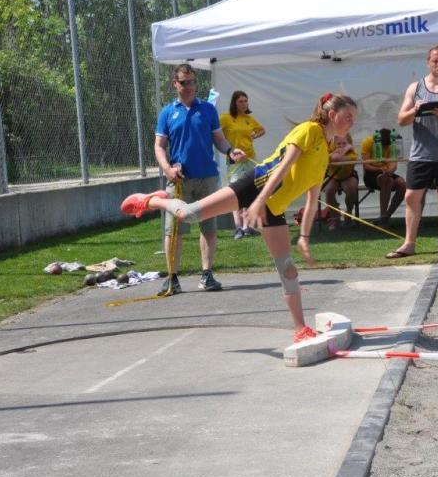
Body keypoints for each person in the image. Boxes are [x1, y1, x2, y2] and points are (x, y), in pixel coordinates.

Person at [122, 93, 358, 343]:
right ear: (332, 114)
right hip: (255, 186)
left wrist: (304, 237)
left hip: (272, 208)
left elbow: (313, 198)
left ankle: (300, 328)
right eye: (348, 117)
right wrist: (258, 200)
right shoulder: (309, 130)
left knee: (288, 268)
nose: (352, 123)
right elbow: (282, 168)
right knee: (189, 214)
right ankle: (153, 200)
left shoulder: (325, 151)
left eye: (353, 118)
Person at [154, 64, 245, 295]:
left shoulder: (207, 110)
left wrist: (230, 151)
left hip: (207, 177)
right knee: (173, 230)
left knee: (209, 227)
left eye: (193, 82)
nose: (189, 87)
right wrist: (167, 169)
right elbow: (159, 146)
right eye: (184, 82)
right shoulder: (167, 112)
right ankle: (172, 278)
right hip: (179, 179)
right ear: (175, 84)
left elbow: (219, 139)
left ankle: (207, 275)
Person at [388, 45, 438, 258]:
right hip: (420, 153)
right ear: (428, 62)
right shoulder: (415, 88)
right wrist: (415, 110)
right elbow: (401, 120)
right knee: (411, 196)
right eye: (435, 60)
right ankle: (409, 243)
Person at [220, 90, 266, 240]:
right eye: (240, 101)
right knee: (235, 192)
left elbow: (262, 130)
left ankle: (247, 227)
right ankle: (238, 227)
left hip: (250, 158)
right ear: (234, 103)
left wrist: (254, 135)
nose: (244, 104)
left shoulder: (249, 119)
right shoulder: (226, 118)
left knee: (249, 191)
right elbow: (216, 133)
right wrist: (228, 147)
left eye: (245, 101)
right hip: (235, 160)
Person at [361, 129, 406, 227]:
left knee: (402, 184)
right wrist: (380, 169)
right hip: (371, 173)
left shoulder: (393, 143)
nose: (385, 148)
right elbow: (366, 166)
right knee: (388, 181)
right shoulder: (368, 142)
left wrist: (388, 171)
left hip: (385, 171)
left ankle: (386, 216)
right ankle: (383, 215)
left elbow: (393, 165)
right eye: (383, 146)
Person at [324, 133, 359, 230]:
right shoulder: (329, 150)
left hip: (348, 176)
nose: (341, 146)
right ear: (333, 144)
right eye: (338, 144)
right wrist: (345, 149)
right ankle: (335, 218)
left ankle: (348, 215)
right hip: (333, 176)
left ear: (349, 143)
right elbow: (332, 158)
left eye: (344, 144)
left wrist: (339, 152)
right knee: (329, 191)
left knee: (351, 189)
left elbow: (337, 158)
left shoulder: (352, 153)